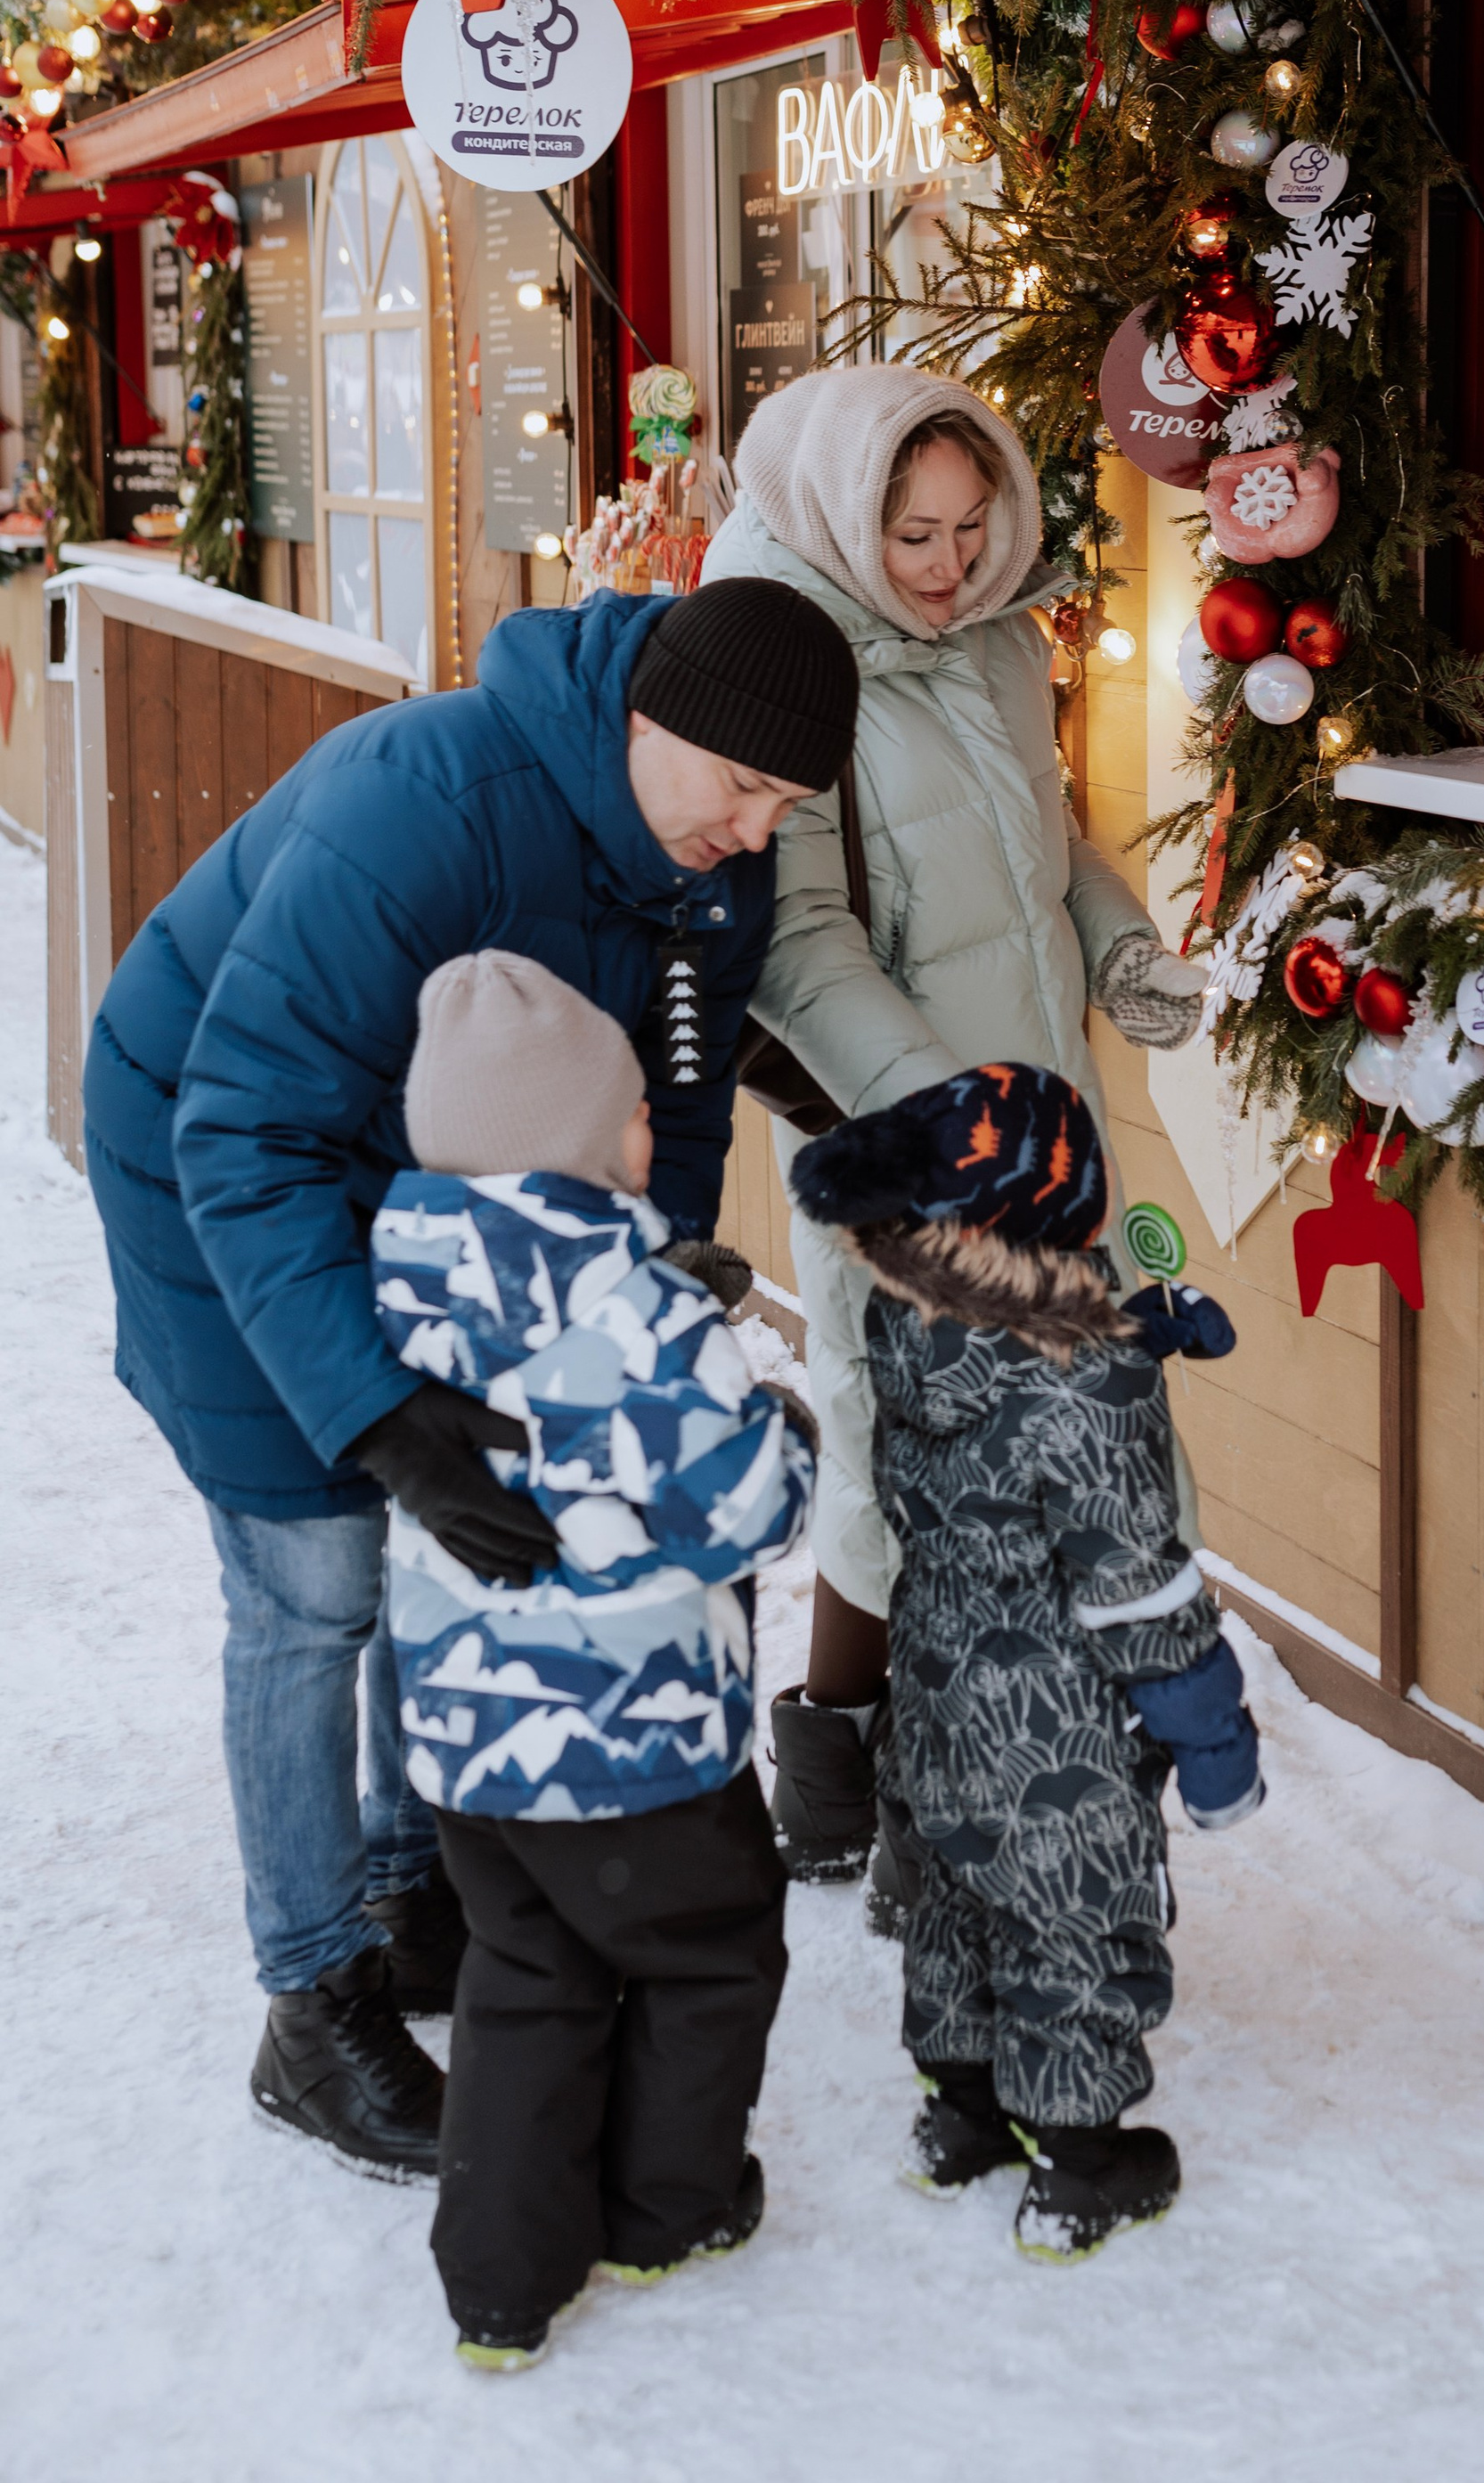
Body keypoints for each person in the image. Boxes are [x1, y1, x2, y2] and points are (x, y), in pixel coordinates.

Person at [82, 578, 859, 2180]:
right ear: (648, 722)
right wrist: (372, 1412)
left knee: (463, 1513)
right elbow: (243, 1125)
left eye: (790, 802)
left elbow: (686, 1095)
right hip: (220, 1150)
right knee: (318, 1573)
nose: (757, 826)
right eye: (742, 787)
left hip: (452, 1186)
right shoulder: (425, 803)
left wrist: (636, 1296)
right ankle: (313, 2003)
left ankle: (404, 1883)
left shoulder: (719, 859)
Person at [704, 365, 1206, 1910]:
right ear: (844, 513)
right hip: (905, 1139)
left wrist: (1118, 943)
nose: (945, 563)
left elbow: (1047, 844)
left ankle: (967, 1776)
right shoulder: (779, 657)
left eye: (971, 528)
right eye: (913, 531)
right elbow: (795, 944)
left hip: (1046, 1114)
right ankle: (859, 1780)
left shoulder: (993, 639)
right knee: (894, 1454)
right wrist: (942, 1107)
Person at [371, 950, 816, 2371]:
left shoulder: (398, 1298)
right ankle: (667, 2209)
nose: (651, 1134)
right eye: (633, 1113)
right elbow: (745, 1505)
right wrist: (788, 1428)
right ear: (577, 1139)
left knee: (525, 1974)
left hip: (469, 1750)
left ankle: (498, 2288)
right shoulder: (642, 1315)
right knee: (706, 1956)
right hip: (632, 1743)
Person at [788, 1060, 1262, 2258]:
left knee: (957, 1896)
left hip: (939, 1690)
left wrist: (1127, 1330)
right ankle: (1085, 2163)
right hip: (1057, 1716)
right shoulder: (1088, 1381)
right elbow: (1134, 1581)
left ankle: (960, 2122)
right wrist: (1213, 1735)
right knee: (1068, 1917)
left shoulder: (906, 1327)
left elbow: (1008, 1398)